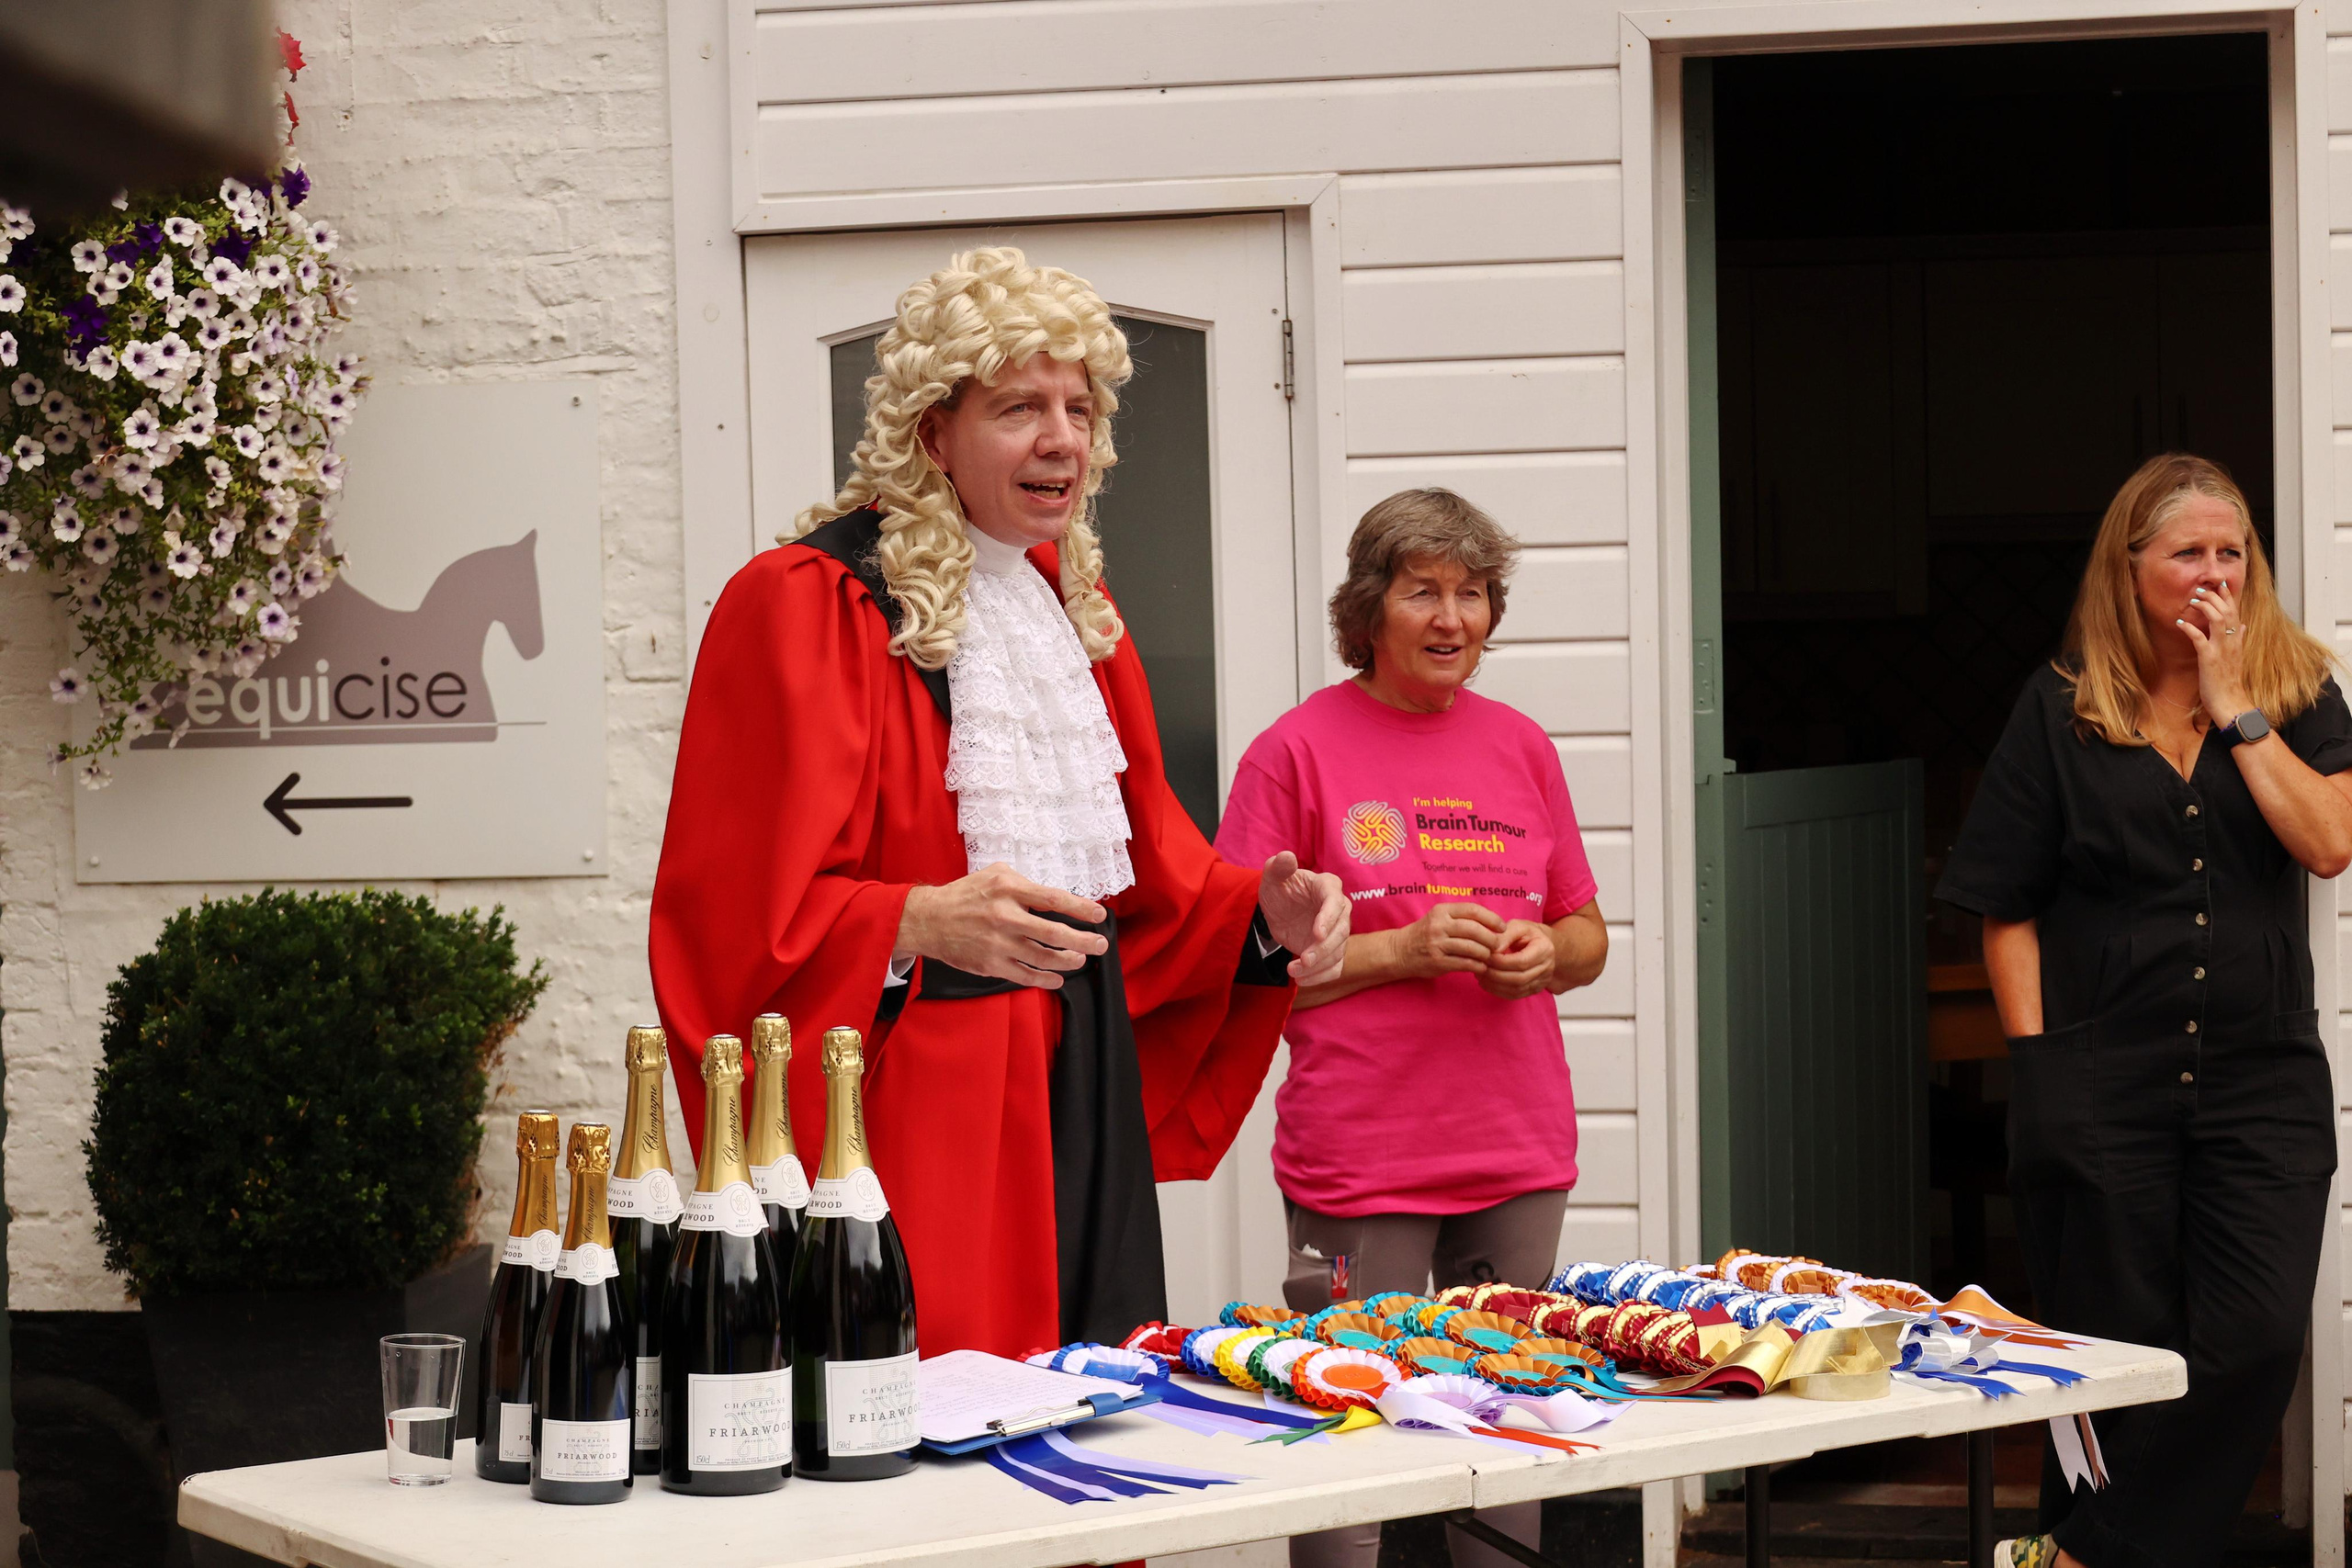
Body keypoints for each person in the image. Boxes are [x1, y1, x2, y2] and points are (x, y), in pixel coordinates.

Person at [649, 247, 1348, 1359]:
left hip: (1079, 1084)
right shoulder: (802, 606)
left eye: (1080, 407)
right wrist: (911, 919)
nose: (1062, 438)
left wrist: (1259, 917)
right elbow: (729, 917)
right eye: (1019, 407)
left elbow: (1152, 882)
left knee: (1085, 1399)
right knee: (933, 1403)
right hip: (916, 1100)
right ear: (933, 432)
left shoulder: (1075, 612)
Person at [1936, 454, 2352, 1568]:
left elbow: (2328, 843)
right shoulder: (2060, 708)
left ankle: (2073, 1557)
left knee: (2254, 1340)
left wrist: (2237, 708)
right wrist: (2037, 1070)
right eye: (2186, 554)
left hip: (2261, 1081)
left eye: (2231, 553)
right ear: (2128, 570)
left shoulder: (2298, 692)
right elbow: (2006, 911)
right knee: (2115, 1363)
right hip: (2097, 1082)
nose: (2214, 574)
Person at [1215, 488, 1608, 1568]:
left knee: (1511, 1435)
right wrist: (1402, 951)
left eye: (1472, 594)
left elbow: (1587, 934)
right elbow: (1237, 973)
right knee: (1355, 1456)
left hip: (1516, 1152)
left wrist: (1546, 954)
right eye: (1422, 591)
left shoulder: (1520, 747)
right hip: (1364, 1165)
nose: (1451, 618)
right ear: (1367, 609)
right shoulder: (1293, 754)